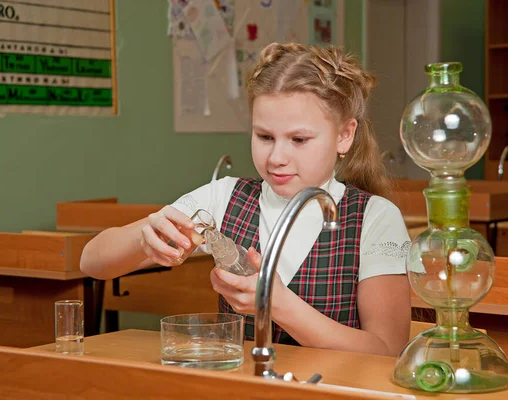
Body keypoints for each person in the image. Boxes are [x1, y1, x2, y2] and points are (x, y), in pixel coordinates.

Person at [81, 43, 411, 356]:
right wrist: (143, 239)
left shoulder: (375, 218)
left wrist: (278, 305)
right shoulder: (225, 198)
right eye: (264, 137)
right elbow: (92, 262)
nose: (277, 157)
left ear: (344, 135)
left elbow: (385, 350)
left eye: (298, 139)